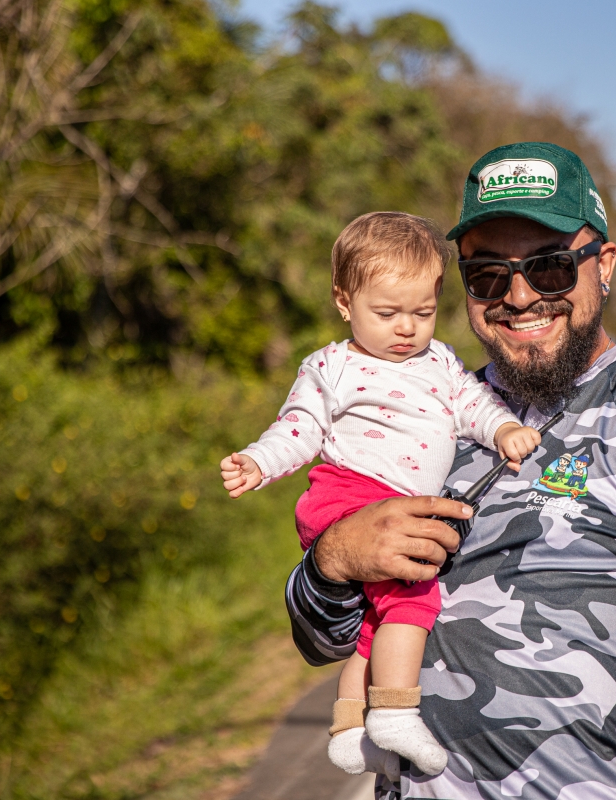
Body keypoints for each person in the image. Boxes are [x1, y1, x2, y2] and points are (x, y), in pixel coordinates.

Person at [283, 142, 616, 799]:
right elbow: (322, 641)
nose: (519, 296)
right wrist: (333, 560)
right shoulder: (424, 414)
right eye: (486, 274)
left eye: (550, 266)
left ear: (603, 265)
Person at [219, 212, 542, 777]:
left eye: (423, 312)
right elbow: (299, 428)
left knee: (376, 623)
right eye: (387, 314)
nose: (406, 329)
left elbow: (473, 405)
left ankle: (350, 728)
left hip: (393, 500)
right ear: (344, 302)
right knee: (415, 598)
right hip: (350, 496)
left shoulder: (440, 362)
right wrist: (259, 462)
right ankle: (394, 713)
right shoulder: (333, 366)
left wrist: (502, 430)